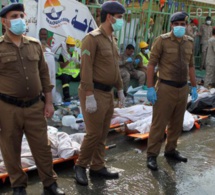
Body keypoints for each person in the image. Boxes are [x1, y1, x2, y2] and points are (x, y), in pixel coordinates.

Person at [0, 3, 65, 195]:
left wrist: (49, 102)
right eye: (14, 16)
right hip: (7, 107)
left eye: (21, 15)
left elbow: (44, 75)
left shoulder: (35, 45)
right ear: (5, 22)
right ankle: (18, 186)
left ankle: (50, 184)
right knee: (11, 148)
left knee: (42, 147)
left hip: (35, 106)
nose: (19, 19)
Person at [74, 1, 126, 186]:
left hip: (107, 92)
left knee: (103, 132)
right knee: (94, 133)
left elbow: (115, 68)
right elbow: (86, 69)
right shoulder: (92, 38)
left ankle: (97, 166)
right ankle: (80, 166)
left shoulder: (112, 39)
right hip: (94, 91)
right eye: (119, 18)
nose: (121, 21)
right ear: (110, 17)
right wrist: (88, 94)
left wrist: (120, 89)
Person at [146, 11, 198, 171]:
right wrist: (149, 87)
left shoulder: (189, 42)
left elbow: (191, 65)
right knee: (159, 123)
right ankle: (152, 155)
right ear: (171, 25)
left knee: (177, 123)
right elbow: (151, 64)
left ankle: (171, 150)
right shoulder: (162, 41)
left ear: (187, 25)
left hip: (182, 88)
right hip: (165, 87)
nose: (180, 27)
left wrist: (194, 86)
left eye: (183, 24)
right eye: (177, 24)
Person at [56, 36, 80, 102]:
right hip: (65, 73)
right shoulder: (62, 54)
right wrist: (69, 60)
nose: (72, 47)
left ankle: (83, 94)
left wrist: (79, 63)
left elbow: (78, 67)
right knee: (65, 78)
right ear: (67, 46)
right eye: (71, 45)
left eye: (73, 45)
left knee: (84, 75)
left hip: (74, 74)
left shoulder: (76, 54)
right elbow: (62, 66)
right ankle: (66, 97)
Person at [39, 28, 57, 104]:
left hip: (52, 72)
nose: (43, 36)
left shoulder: (49, 47)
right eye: (42, 34)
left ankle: (51, 102)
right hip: (43, 71)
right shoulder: (37, 45)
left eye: (45, 34)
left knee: (52, 86)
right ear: (39, 35)